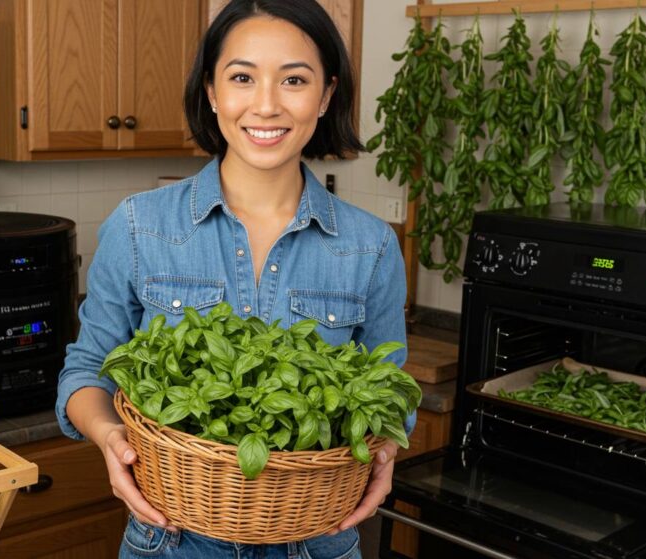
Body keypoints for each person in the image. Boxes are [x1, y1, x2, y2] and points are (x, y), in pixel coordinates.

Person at [57, 1, 415, 557]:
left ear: (325, 96)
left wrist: (388, 449)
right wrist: (110, 439)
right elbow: (85, 371)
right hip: (172, 539)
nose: (266, 105)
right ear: (212, 92)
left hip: (316, 540)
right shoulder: (138, 226)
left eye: (294, 79)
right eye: (242, 77)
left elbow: (390, 392)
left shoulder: (371, 245)